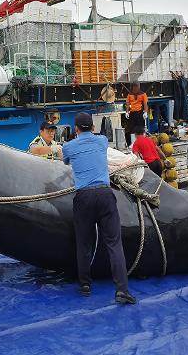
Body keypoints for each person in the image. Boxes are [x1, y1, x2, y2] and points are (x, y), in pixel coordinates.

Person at [62, 113, 136, 305]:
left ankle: (85, 284)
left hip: (83, 197)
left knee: (84, 243)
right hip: (105, 195)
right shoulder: (102, 141)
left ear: (76, 129)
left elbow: (66, 161)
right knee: (114, 244)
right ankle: (122, 290)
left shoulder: (68, 146)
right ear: (93, 128)